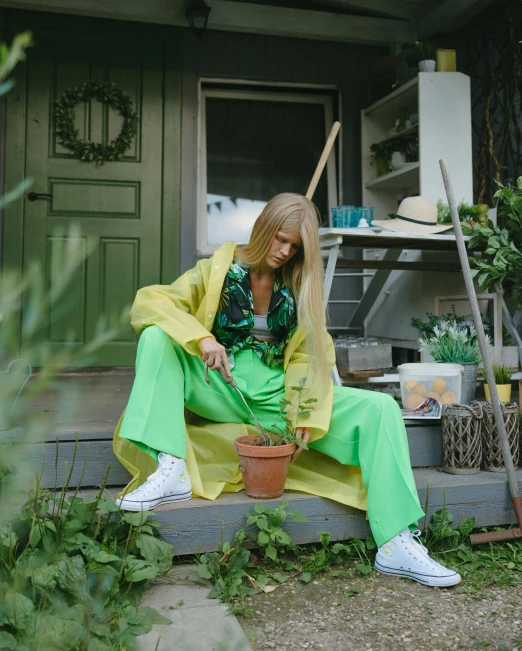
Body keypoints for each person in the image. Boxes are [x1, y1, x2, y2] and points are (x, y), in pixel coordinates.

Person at [113, 193, 461, 588]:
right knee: (156, 338)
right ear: (262, 228)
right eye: (280, 238)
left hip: (280, 397)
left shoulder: (298, 283)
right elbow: (150, 302)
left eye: (295, 246)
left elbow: (314, 353)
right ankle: (171, 466)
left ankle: (397, 541)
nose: (284, 251)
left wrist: (307, 412)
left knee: (380, 407)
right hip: (219, 387)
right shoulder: (218, 270)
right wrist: (201, 339)